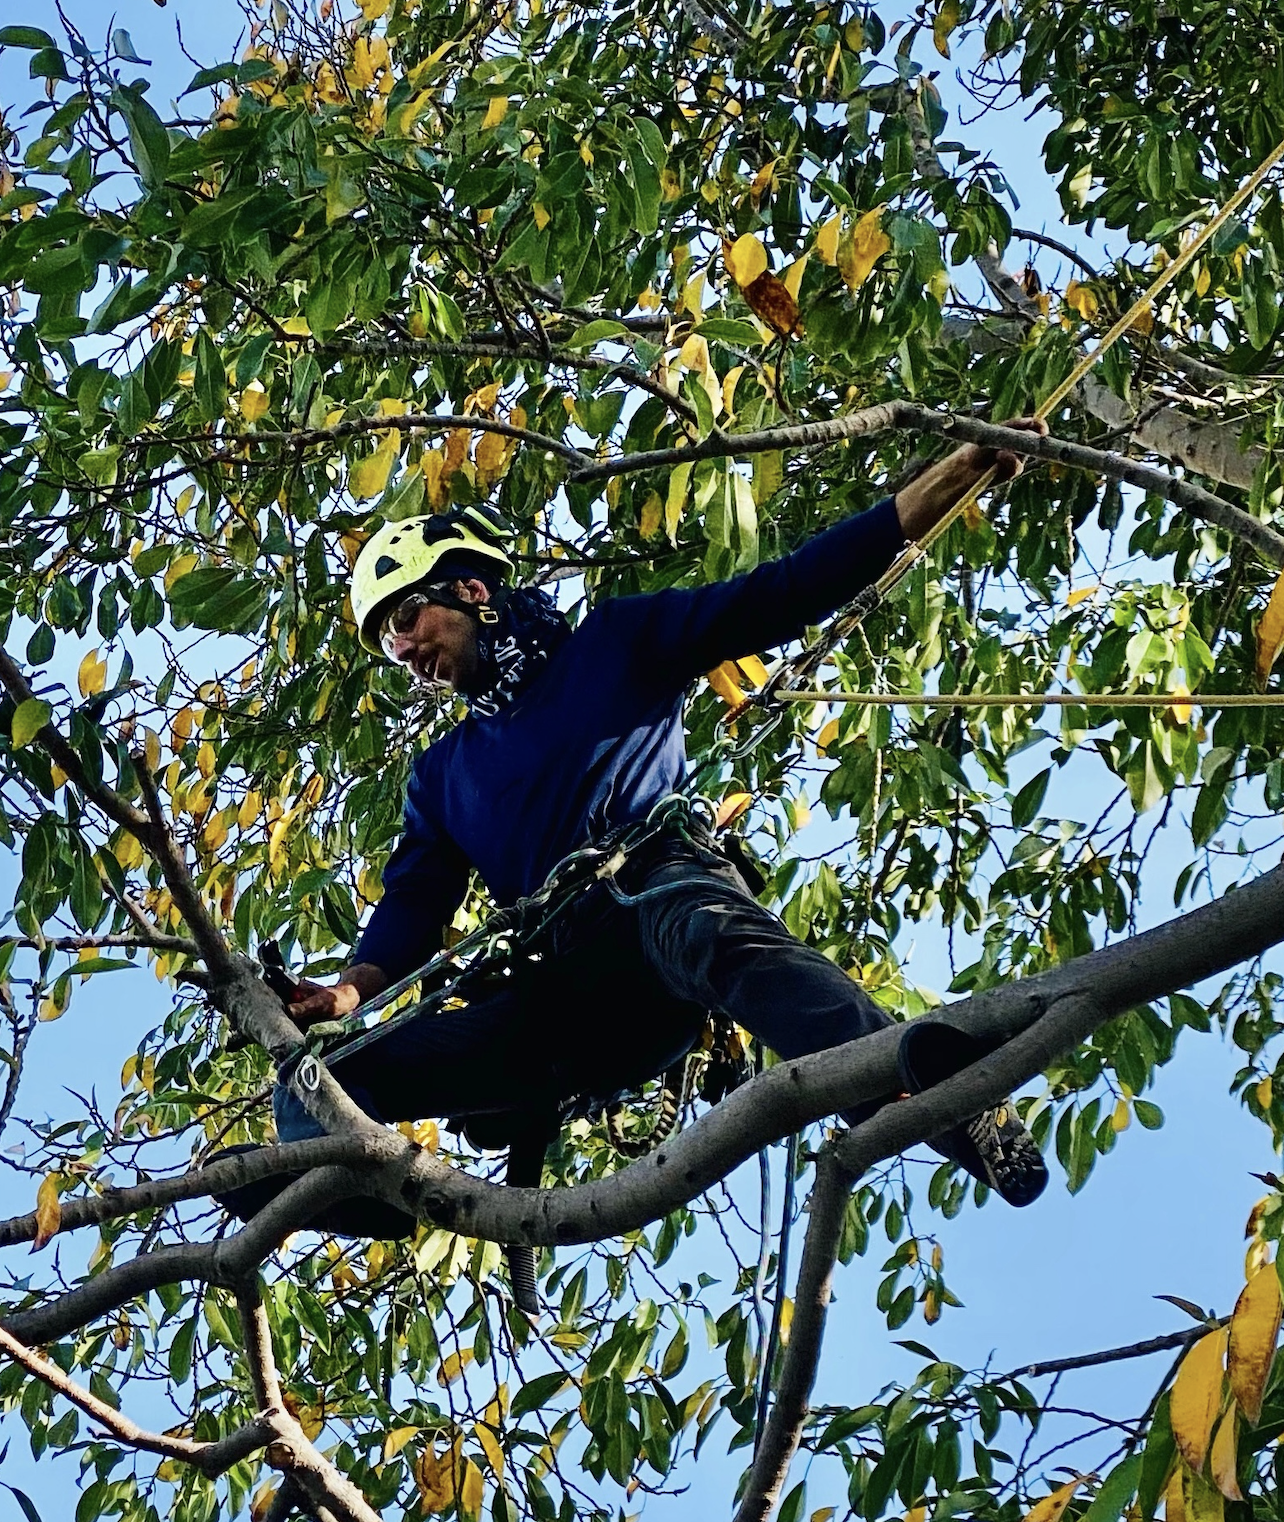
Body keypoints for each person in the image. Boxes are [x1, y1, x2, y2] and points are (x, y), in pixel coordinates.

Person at [237, 416, 1051, 1224]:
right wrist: (346, 993)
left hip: (659, 899)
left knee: (703, 926)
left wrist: (953, 476)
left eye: (405, 618)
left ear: (469, 591)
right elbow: (415, 905)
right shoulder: (443, 775)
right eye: (387, 642)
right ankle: (351, 1187)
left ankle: (936, 1095)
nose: (403, 649)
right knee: (324, 1075)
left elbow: (783, 592)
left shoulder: (614, 644)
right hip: (571, 992)